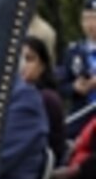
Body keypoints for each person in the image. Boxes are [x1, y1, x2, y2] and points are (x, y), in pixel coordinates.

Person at [20, 35, 67, 165]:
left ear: (42, 66)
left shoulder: (46, 98)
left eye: (29, 59)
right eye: (18, 59)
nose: (22, 65)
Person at [60, 0, 96, 112]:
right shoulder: (73, 51)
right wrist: (74, 87)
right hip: (82, 118)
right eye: (86, 19)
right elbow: (61, 85)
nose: (90, 24)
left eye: (94, 18)